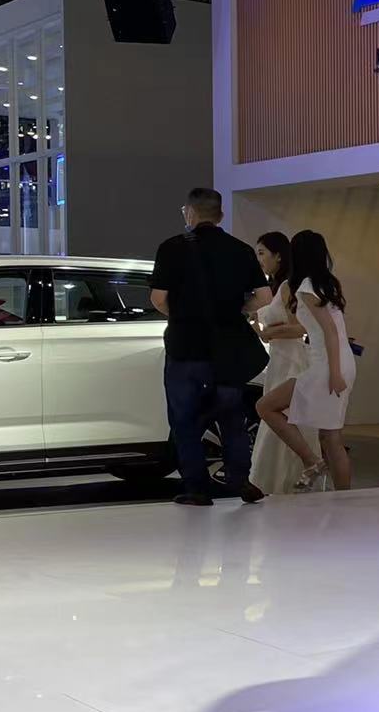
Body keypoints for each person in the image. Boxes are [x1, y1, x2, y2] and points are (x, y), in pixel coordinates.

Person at [149, 187, 271, 506]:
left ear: (190, 212)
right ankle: (240, 480)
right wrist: (237, 310)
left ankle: (197, 488)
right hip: (228, 348)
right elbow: (264, 297)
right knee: (231, 416)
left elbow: (158, 298)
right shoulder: (241, 250)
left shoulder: (171, 248)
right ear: (221, 215)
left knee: (185, 419)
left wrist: (184, 316)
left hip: (185, 348)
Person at [256, 230, 357, 491]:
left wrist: (334, 374)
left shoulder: (306, 288)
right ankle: (336, 488)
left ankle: (312, 462)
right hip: (334, 363)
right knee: (330, 436)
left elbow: (330, 332)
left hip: (328, 365)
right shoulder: (326, 284)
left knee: (267, 407)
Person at [249, 232, 313, 495]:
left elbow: (300, 327)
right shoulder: (276, 286)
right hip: (279, 358)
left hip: (291, 358)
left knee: (281, 414)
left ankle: (292, 476)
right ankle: (279, 480)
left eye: (262, 253)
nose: (259, 259)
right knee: (278, 416)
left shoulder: (288, 286)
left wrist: (267, 333)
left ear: (278, 255)